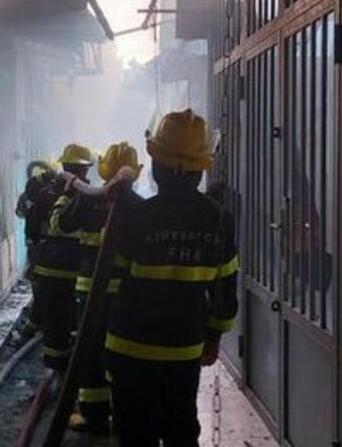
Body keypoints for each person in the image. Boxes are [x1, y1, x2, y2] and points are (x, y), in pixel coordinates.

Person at [106, 110, 239, 447]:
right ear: (200, 169)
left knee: (136, 434)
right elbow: (225, 290)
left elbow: (110, 284)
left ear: (158, 167)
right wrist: (214, 336)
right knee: (181, 429)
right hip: (184, 349)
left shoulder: (137, 217)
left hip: (130, 348)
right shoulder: (218, 220)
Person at [50, 142, 143, 434]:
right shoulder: (139, 206)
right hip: (126, 294)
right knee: (122, 354)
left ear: (103, 170)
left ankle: (94, 414)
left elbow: (60, 225)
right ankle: (123, 414)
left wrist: (66, 194)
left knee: (90, 352)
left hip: (91, 291)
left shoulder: (88, 198)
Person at [28, 143, 94, 373]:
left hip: (49, 269)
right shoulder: (88, 196)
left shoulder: (45, 194)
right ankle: (76, 366)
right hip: (79, 270)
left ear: (64, 166)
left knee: (54, 321)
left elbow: (32, 231)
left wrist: (35, 260)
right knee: (77, 319)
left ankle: (56, 369)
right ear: (84, 169)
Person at [16, 161, 57, 336]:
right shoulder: (56, 193)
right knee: (46, 282)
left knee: (39, 281)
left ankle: (39, 320)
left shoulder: (31, 194)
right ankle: (43, 319)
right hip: (51, 246)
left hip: (38, 245)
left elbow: (21, 213)